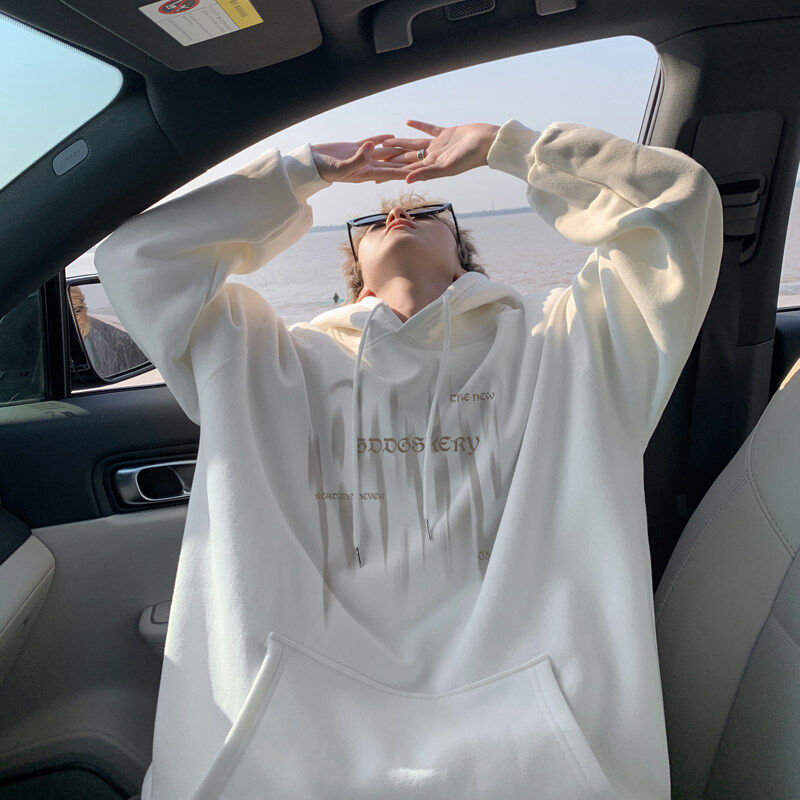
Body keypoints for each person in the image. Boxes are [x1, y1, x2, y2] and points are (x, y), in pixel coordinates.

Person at [94, 117, 723, 800]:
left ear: (464, 260)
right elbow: (136, 259)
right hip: (286, 756)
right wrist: (304, 171)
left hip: (534, 757)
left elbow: (679, 205)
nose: (397, 214)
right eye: (373, 220)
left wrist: (507, 148)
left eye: (425, 212)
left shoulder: (569, 343)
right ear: (356, 281)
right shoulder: (262, 357)